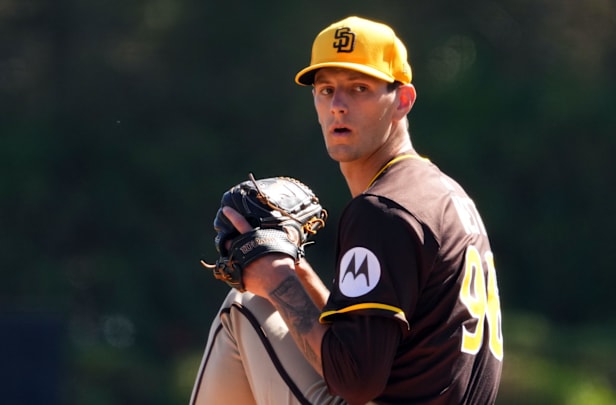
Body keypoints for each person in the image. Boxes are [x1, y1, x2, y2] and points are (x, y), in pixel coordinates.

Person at [190, 15, 504, 405]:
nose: (338, 106)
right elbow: (363, 347)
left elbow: (356, 381)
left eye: (360, 88)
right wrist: (299, 275)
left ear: (402, 100)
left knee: (247, 305)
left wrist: (274, 280)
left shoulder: (384, 210)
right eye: (326, 90)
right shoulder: (438, 194)